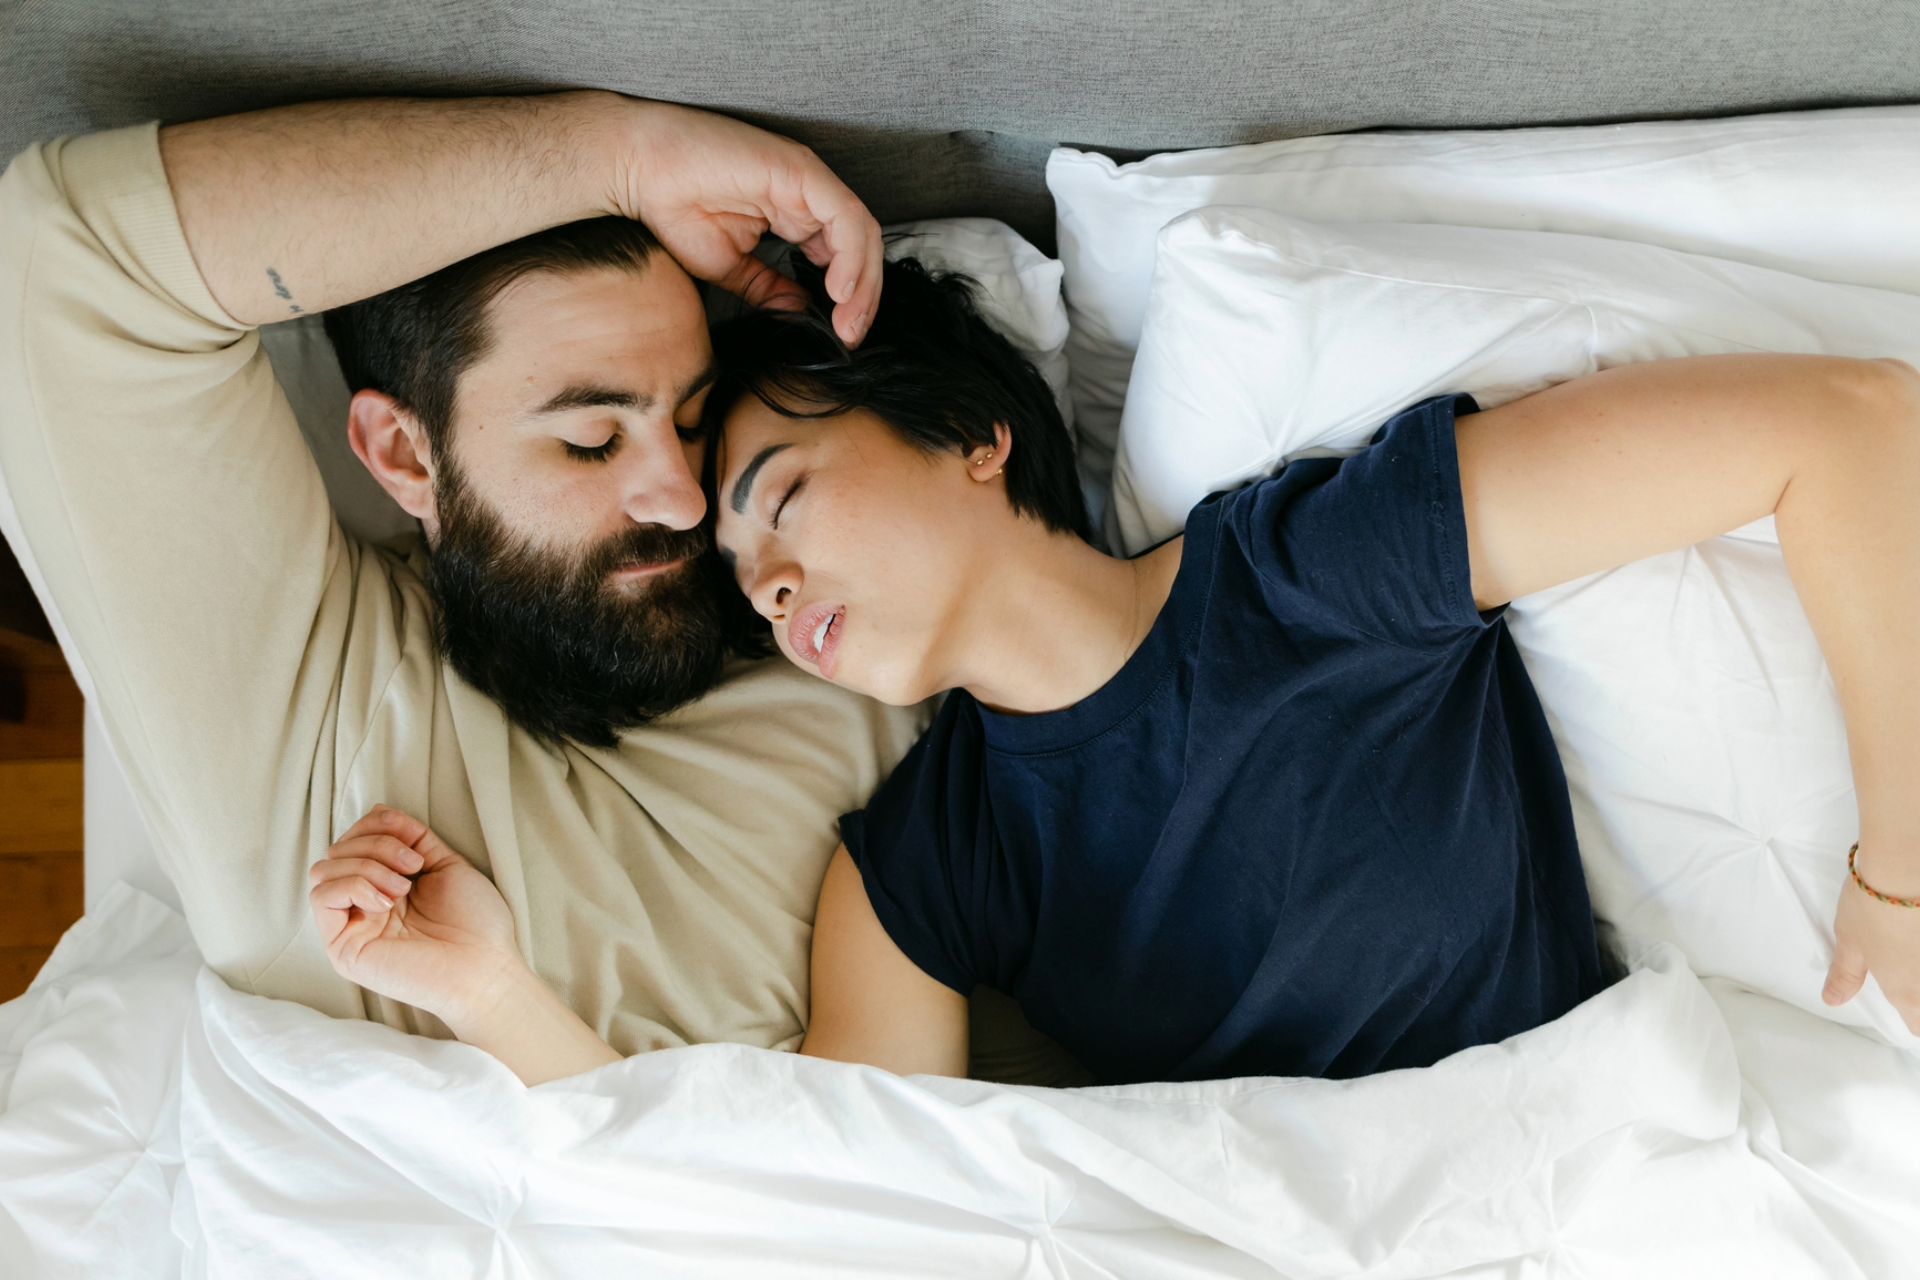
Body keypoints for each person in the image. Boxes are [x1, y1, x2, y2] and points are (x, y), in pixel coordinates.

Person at [310, 260, 1920, 1087]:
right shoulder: (918, 868)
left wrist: (1901, 872)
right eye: (744, 578)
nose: (769, 577)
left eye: (781, 504)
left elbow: (1847, 428)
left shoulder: (1307, 571)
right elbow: (813, 1202)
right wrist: (496, 997)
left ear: (969, 437)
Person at [0, 91, 1083, 1083]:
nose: (684, 498)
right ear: (406, 457)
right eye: (590, 441)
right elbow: (63, 248)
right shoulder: (312, 723)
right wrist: (619, 154)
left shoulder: (839, 617)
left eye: (694, 421)